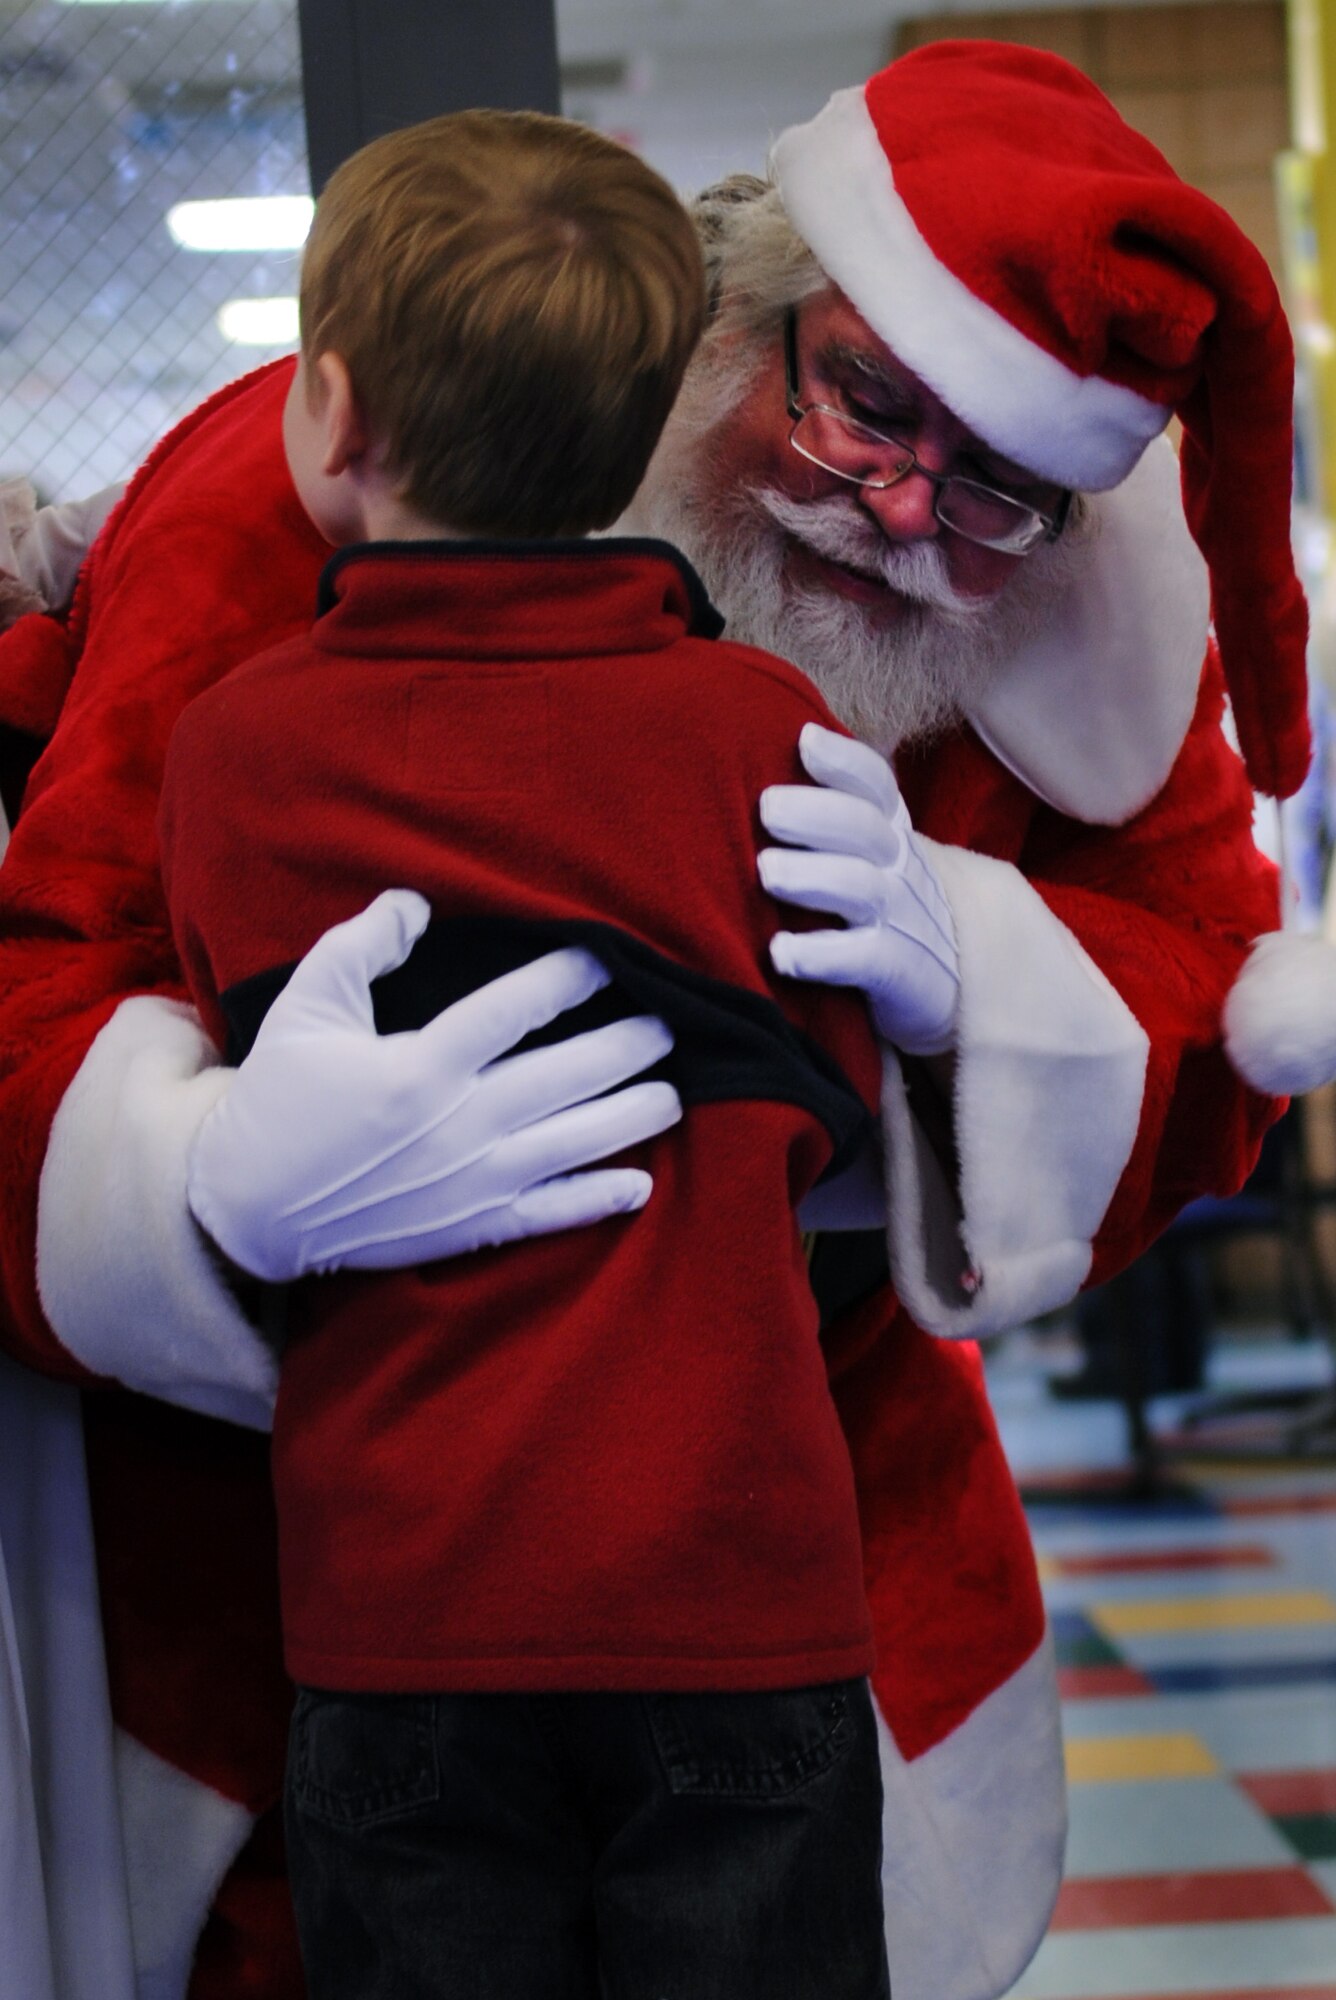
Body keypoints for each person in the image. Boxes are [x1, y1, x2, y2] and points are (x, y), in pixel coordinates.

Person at [0, 40, 1299, 2000]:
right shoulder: (327, 489)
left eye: (997, 488)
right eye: (861, 399)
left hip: (780, 1554)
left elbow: (1217, 1005)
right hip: (297, 1565)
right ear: (736, 317)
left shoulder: (1085, 618)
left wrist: (976, 977)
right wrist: (192, 1179)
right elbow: (43, 986)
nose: (893, 502)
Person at [158, 106, 890, 1998]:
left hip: (411, 1603)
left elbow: (229, 1038)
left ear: (326, 412)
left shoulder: (237, 747)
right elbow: (836, 1095)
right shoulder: (761, 720)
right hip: (739, 1582)